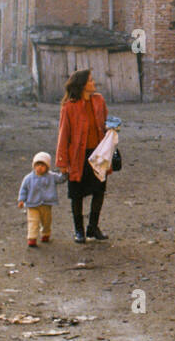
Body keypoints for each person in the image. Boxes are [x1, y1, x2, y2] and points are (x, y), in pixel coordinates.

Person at [55, 69, 109, 244]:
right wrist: (62, 161)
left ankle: (93, 227)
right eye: (91, 80)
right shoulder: (69, 107)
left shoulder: (99, 101)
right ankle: (79, 230)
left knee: (99, 190)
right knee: (77, 194)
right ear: (83, 84)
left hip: (98, 154)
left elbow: (106, 123)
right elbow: (64, 135)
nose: (94, 83)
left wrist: (112, 129)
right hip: (78, 156)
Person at [17, 152, 64, 248]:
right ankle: (32, 238)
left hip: (46, 204)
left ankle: (45, 233)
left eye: (43, 165)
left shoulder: (51, 176)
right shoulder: (28, 178)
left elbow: (60, 179)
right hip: (32, 204)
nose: (40, 167)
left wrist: (64, 172)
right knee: (33, 221)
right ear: (34, 166)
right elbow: (23, 189)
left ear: (47, 167)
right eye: (37, 165)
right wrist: (21, 200)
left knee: (46, 221)